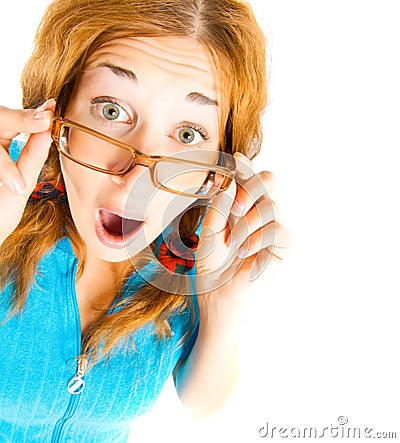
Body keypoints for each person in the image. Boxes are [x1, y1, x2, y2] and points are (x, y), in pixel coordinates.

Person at [0, 0, 287, 441]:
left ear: (217, 168)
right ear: (58, 115)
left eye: (187, 135)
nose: (137, 176)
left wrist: (223, 303)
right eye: (111, 110)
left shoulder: (195, 244)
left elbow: (202, 402)